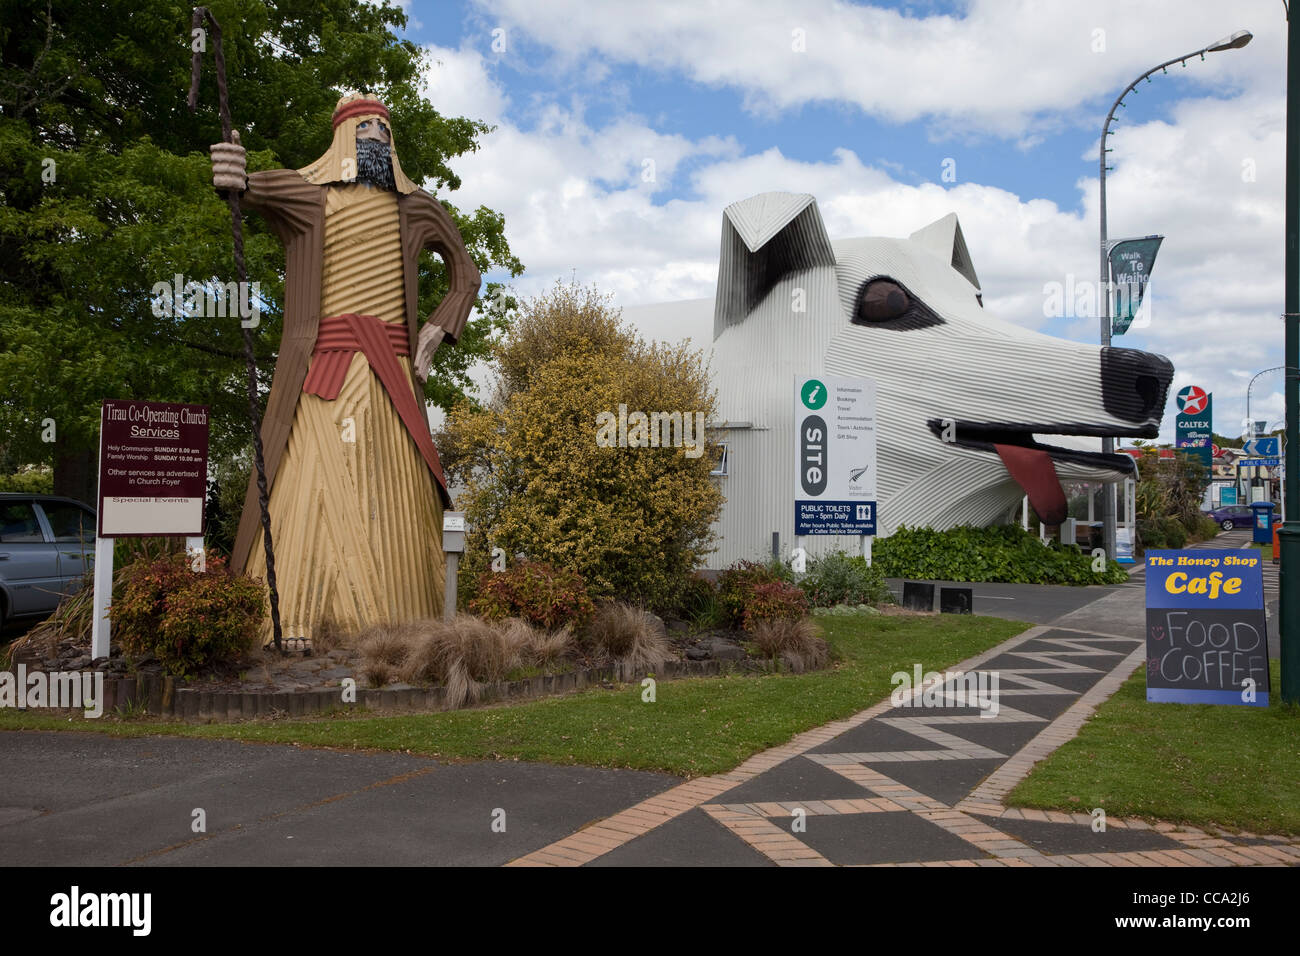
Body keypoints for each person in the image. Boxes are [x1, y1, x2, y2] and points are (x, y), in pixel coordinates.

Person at [209, 93, 480, 645]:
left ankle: (406, 624)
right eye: (364, 125)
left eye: (384, 126)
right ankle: (289, 619)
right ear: (341, 136)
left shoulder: (416, 208)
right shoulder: (310, 197)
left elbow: (466, 272)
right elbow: (250, 185)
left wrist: (437, 329)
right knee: (306, 480)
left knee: (397, 487)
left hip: (392, 373)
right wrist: (233, 172)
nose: (377, 133)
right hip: (322, 370)